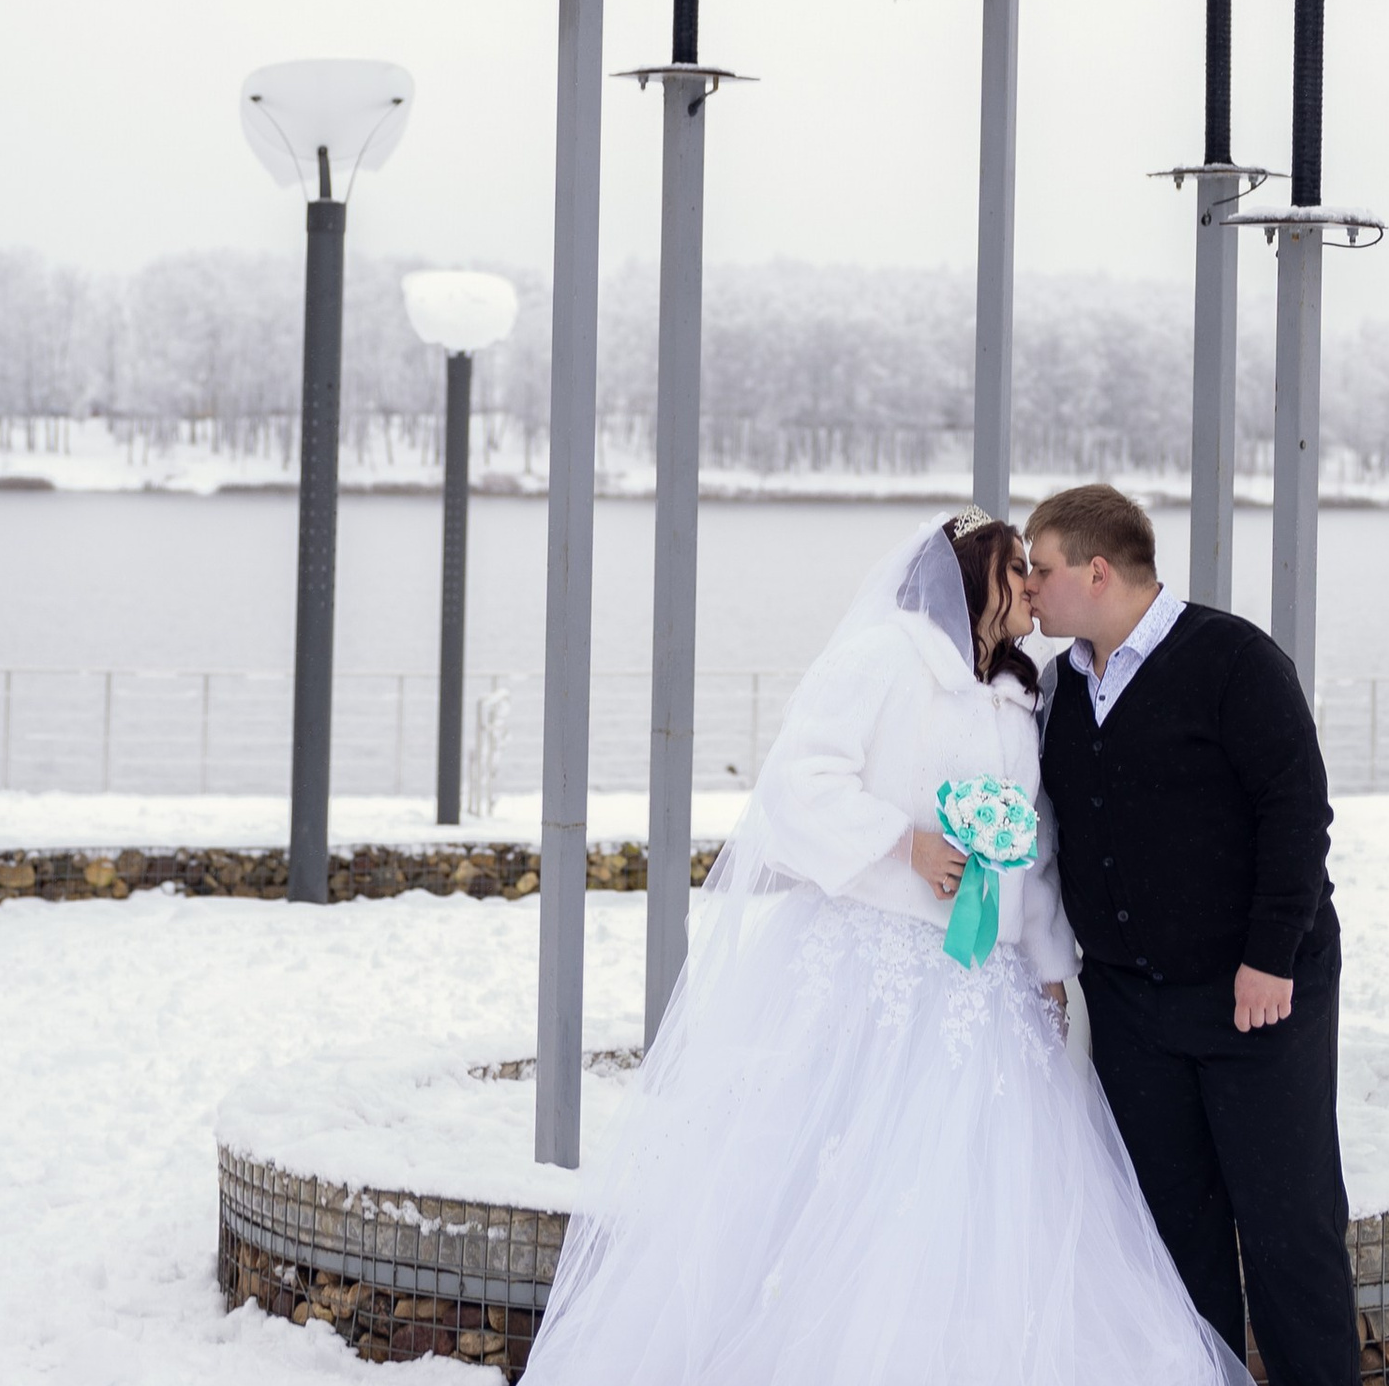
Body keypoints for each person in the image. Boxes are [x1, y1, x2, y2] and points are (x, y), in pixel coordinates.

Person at [521, 508, 1248, 1386]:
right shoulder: (886, 659)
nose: (1030, 586)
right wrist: (903, 845)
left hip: (986, 986)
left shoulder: (1022, 695)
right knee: (854, 1184)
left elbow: (1036, 845)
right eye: (1017, 569)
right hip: (873, 969)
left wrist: (1049, 965)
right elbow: (799, 783)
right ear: (972, 576)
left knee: (980, 1197)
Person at [1025, 482, 1357, 1386]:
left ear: (1097, 571)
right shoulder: (1057, 685)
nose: (1029, 586)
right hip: (1134, 1011)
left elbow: (1298, 815)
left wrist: (1269, 957)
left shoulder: (1235, 660)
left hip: (1257, 998)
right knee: (1173, 1245)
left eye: (1041, 567)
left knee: (1290, 1236)